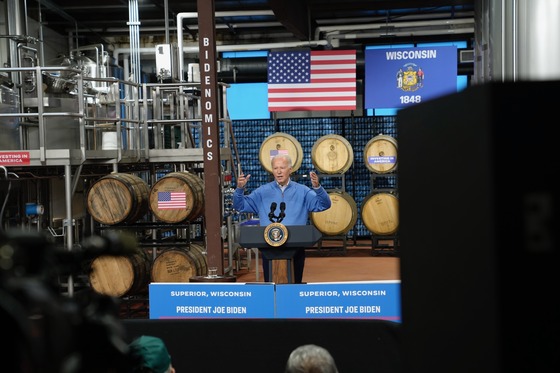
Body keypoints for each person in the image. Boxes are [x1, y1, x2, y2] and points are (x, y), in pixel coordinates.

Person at [233, 153, 331, 283]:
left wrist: (318, 188)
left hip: (296, 246)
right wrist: (240, 189)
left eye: (282, 168)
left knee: (295, 285)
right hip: (269, 248)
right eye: (275, 168)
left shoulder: (303, 191)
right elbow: (240, 206)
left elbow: (324, 204)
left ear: (290, 170)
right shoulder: (262, 191)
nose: (278, 172)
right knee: (271, 286)